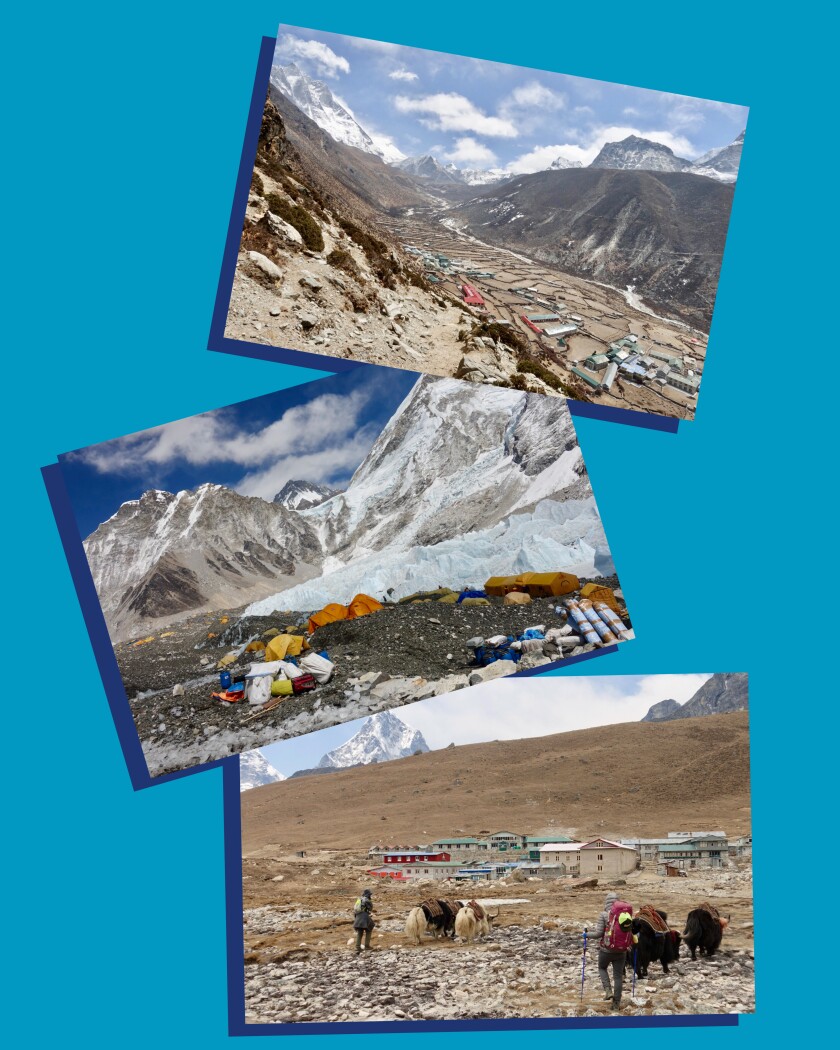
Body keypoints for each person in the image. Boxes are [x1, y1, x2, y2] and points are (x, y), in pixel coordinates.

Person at [593, 893, 638, 1009]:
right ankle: (616, 1005)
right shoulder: (626, 915)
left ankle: (608, 990)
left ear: (606, 902)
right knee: (618, 977)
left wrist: (585, 935)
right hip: (622, 951)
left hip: (606, 950)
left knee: (602, 968)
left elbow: (598, 934)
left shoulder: (604, 915)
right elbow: (631, 932)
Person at [353, 889, 375, 953]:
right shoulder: (367, 900)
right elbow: (370, 908)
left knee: (360, 931)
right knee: (369, 929)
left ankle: (358, 946)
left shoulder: (359, 899)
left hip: (358, 916)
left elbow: (355, 909)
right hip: (364, 916)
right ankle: (367, 946)